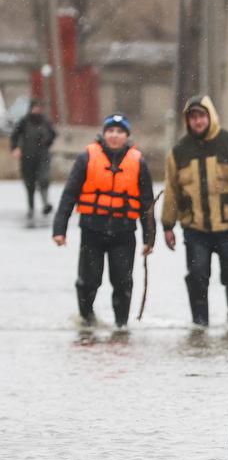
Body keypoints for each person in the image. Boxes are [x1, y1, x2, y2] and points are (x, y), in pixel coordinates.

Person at [161, 95, 228, 327]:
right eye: (193, 117)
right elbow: (171, 190)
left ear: (210, 117)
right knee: (197, 277)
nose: (197, 121)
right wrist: (167, 225)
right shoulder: (179, 152)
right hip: (195, 228)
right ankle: (199, 326)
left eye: (201, 116)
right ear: (188, 120)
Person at [52, 112, 155, 328]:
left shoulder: (138, 162)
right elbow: (69, 195)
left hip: (124, 233)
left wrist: (149, 238)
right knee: (88, 281)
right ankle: (87, 320)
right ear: (104, 133)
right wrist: (59, 229)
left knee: (122, 282)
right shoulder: (86, 158)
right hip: (92, 230)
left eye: (119, 131)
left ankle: (121, 326)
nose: (114, 135)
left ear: (126, 136)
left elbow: (147, 203)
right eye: (110, 131)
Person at [10, 99, 56, 221]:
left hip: (43, 156)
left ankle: (46, 204)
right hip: (27, 157)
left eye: (39, 107)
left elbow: (53, 135)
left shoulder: (46, 121)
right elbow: (14, 136)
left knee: (43, 179)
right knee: (29, 183)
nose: (37, 110)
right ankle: (31, 208)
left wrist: (47, 140)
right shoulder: (23, 121)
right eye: (35, 107)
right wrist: (15, 148)